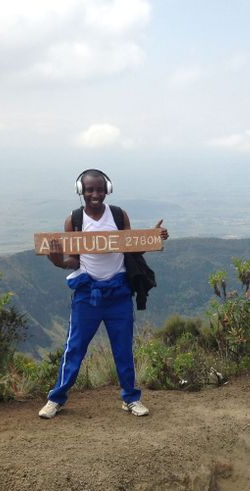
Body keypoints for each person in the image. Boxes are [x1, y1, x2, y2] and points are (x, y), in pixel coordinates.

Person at [38, 169, 168, 419]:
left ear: (107, 189)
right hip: (87, 294)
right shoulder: (74, 220)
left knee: (123, 348)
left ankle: (131, 398)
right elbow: (72, 261)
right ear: (81, 191)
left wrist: (153, 237)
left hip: (118, 292)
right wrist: (56, 259)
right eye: (89, 189)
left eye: (99, 189)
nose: (95, 194)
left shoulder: (118, 215)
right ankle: (56, 398)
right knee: (74, 347)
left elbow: (131, 248)